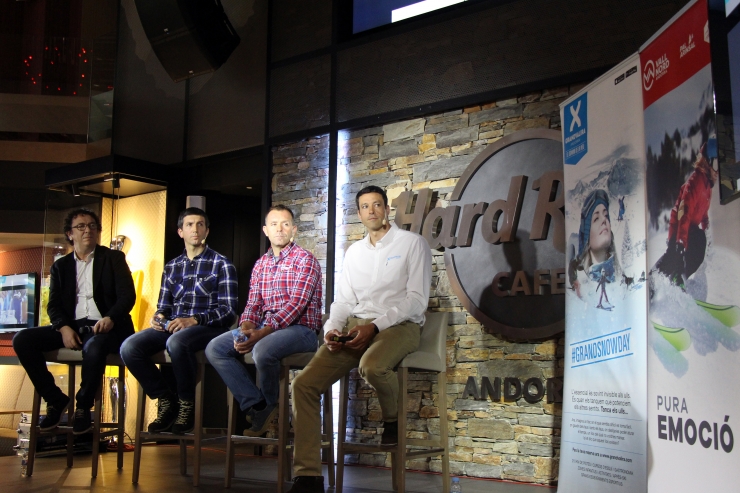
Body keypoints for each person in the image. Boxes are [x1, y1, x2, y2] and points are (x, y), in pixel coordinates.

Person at [286, 185, 432, 493]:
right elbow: (343, 301)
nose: (372, 211)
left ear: (386, 209)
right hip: (355, 327)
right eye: (365, 207)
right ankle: (309, 475)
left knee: (373, 366)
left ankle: (392, 420)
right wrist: (332, 328)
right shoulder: (354, 252)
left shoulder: (412, 243)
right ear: (359, 213)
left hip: (399, 325)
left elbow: (417, 301)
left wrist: (375, 327)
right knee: (303, 385)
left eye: (377, 205)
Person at [13, 208, 136, 434]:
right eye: (81, 226)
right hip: (74, 326)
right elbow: (54, 306)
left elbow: (127, 296)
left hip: (106, 327)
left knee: (95, 345)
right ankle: (55, 399)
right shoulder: (61, 266)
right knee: (22, 339)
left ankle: (83, 407)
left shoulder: (113, 258)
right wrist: (63, 327)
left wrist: (110, 317)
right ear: (70, 234)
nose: (87, 230)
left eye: (92, 226)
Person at [205, 205, 322, 436]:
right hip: (265, 329)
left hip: (302, 331)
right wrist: (246, 328)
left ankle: (272, 410)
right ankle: (259, 407)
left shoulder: (305, 260)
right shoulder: (261, 264)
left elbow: (296, 306)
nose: (280, 229)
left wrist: (261, 334)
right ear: (265, 230)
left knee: (262, 350)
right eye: (274, 224)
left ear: (294, 230)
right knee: (215, 348)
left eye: (285, 224)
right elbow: (253, 305)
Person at [120, 207, 238, 434]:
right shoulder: (172, 267)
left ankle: (186, 404)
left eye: (200, 224)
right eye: (190, 224)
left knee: (176, 342)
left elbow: (229, 311)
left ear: (207, 230)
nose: (196, 229)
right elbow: (163, 308)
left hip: (208, 327)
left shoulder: (222, 264)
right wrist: (159, 319)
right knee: (129, 347)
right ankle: (166, 400)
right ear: (180, 231)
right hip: (174, 327)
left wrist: (194, 319)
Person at [653, 144, 717, 289]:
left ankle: (678, 277)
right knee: (674, 257)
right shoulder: (695, 182)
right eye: (716, 165)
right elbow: (684, 213)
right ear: (708, 162)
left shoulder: (707, 186)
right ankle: (657, 281)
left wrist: (707, 231)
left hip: (690, 229)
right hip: (680, 227)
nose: (718, 172)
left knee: (699, 242)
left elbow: (703, 214)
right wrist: (680, 242)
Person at [568, 189, 620, 299]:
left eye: (606, 215)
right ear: (587, 235)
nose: (604, 220)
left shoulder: (621, 278)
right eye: (596, 218)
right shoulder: (580, 284)